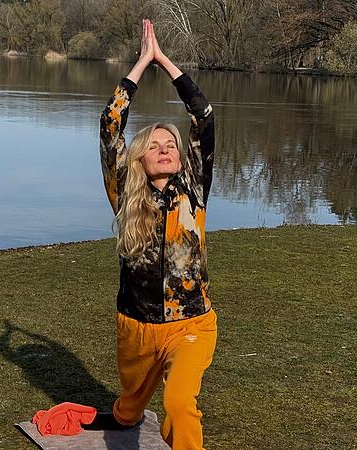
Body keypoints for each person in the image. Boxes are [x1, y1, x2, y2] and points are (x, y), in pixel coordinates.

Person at [95, 18, 217, 450]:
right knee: (130, 407)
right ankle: (125, 414)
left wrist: (165, 62)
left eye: (171, 146)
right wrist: (140, 66)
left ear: (182, 160)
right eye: (154, 145)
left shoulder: (194, 191)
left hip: (191, 324)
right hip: (137, 325)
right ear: (139, 159)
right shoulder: (124, 194)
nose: (165, 149)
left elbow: (204, 119)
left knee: (179, 403)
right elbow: (110, 127)